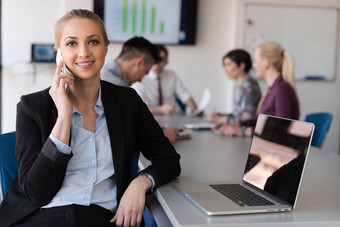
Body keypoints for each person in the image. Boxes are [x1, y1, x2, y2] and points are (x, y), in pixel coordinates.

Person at [0, 9, 180, 227]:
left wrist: (140, 183)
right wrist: (64, 116)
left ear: (105, 48)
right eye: (71, 43)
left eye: (93, 41)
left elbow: (169, 160)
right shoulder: (32, 107)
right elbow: (37, 193)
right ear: (60, 54)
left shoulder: (127, 102)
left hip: (101, 217)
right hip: (41, 216)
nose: (84, 52)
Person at [101, 37, 178, 143]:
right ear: (139, 62)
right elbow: (127, 129)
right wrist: (163, 135)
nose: (141, 80)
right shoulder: (115, 85)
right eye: (146, 72)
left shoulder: (107, 74)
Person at [213, 41, 299, 137]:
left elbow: (280, 128)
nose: (253, 65)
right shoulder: (273, 88)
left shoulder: (282, 90)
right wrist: (236, 125)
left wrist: (244, 131)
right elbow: (258, 120)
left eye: (255, 60)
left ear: (266, 63)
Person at [132, 44, 202, 116]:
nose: (157, 62)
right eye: (155, 58)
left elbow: (185, 95)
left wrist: (195, 109)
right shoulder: (141, 77)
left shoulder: (171, 75)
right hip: (150, 117)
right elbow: (139, 107)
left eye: (161, 59)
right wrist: (161, 109)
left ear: (166, 61)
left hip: (174, 115)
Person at [208, 49, 261, 124]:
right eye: (224, 65)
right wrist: (222, 115)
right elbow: (240, 113)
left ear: (241, 66)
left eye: (228, 64)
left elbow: (248, 118)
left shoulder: (248, 86)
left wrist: (221, 119)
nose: (225, 69)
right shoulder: (243, 84)